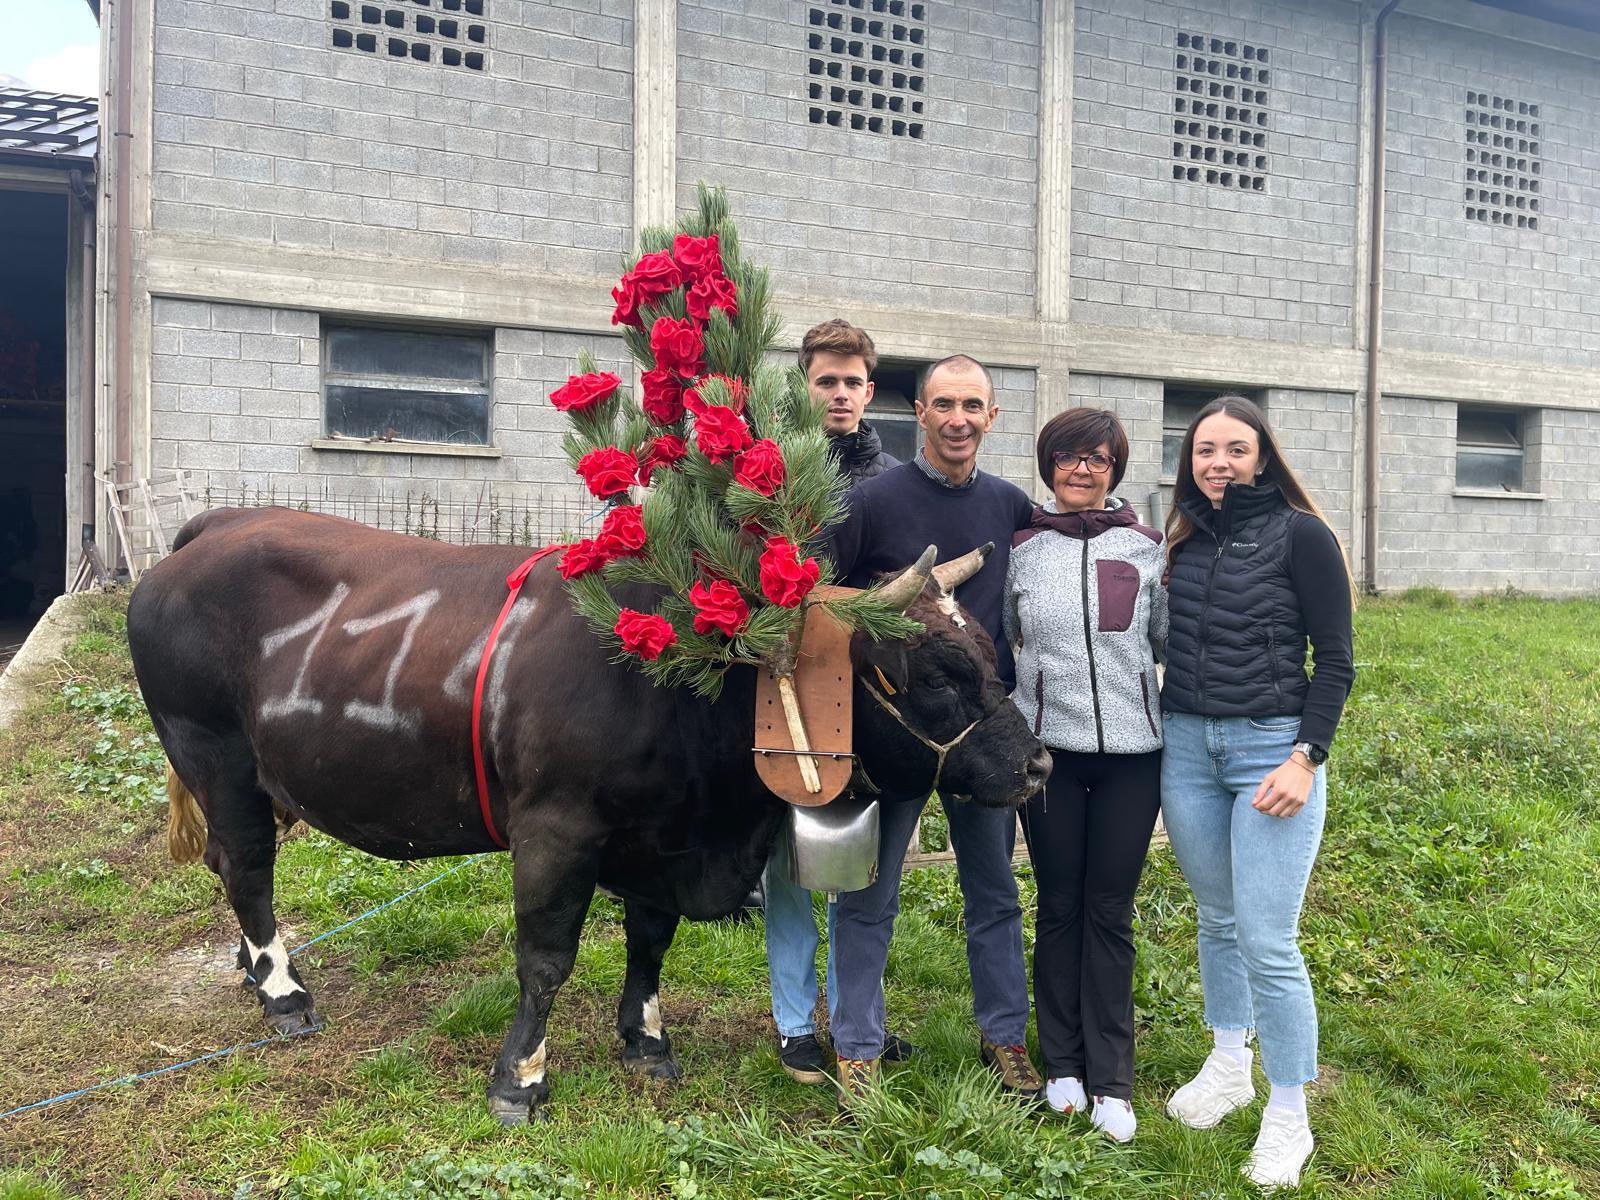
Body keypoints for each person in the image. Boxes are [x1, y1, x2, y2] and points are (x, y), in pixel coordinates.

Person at [824, 353, 1043, 1104]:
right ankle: (856, 1047)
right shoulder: (872, 501)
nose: (958, 419)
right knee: (867, 891)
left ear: (992, 417)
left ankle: (1005, 1037)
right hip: (899, 734)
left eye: (973, 406)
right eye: (944, 404)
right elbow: (822, 602)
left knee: (994, 889)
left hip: (982, 731)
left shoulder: (1011, 506)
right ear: (918, 412)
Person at [1157, 394, 1356, 1189]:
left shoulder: (1303, 535)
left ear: (1262, 457)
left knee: (1269, 940)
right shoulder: (1182, 538)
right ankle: (1229, 1061)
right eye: (1206, 449)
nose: (1219, 463)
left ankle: (1288, 1112)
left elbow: (1336, 661)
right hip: (1187, 749)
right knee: (1216, 916)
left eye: (1236, 449)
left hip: (1271, 752)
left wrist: (1306, 757)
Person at [1002, 408, 1167, 1143]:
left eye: (1096, 459)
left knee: (1111, 910)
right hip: (1049, 761)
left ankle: (1113, 1079)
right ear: (1048, 464)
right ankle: (1063, 1063)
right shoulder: (1022, 550)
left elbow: (1168, 641)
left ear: (1115, 469)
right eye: (1067, 456)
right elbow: (1001, 644)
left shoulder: (1148, 548)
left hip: (1134, 760)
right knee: (1060, 905)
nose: (1080, 470)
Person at [763, 318, 904, 1085]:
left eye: (853, 383)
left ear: (870, 392)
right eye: (827, 381)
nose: (841, 394)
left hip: (872, 688)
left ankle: (858, 1018)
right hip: (792, 680)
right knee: (792, 855)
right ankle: (793, 1023)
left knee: (865, 864)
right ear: (805, 386)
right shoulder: (773, 473)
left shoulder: (892, 483)